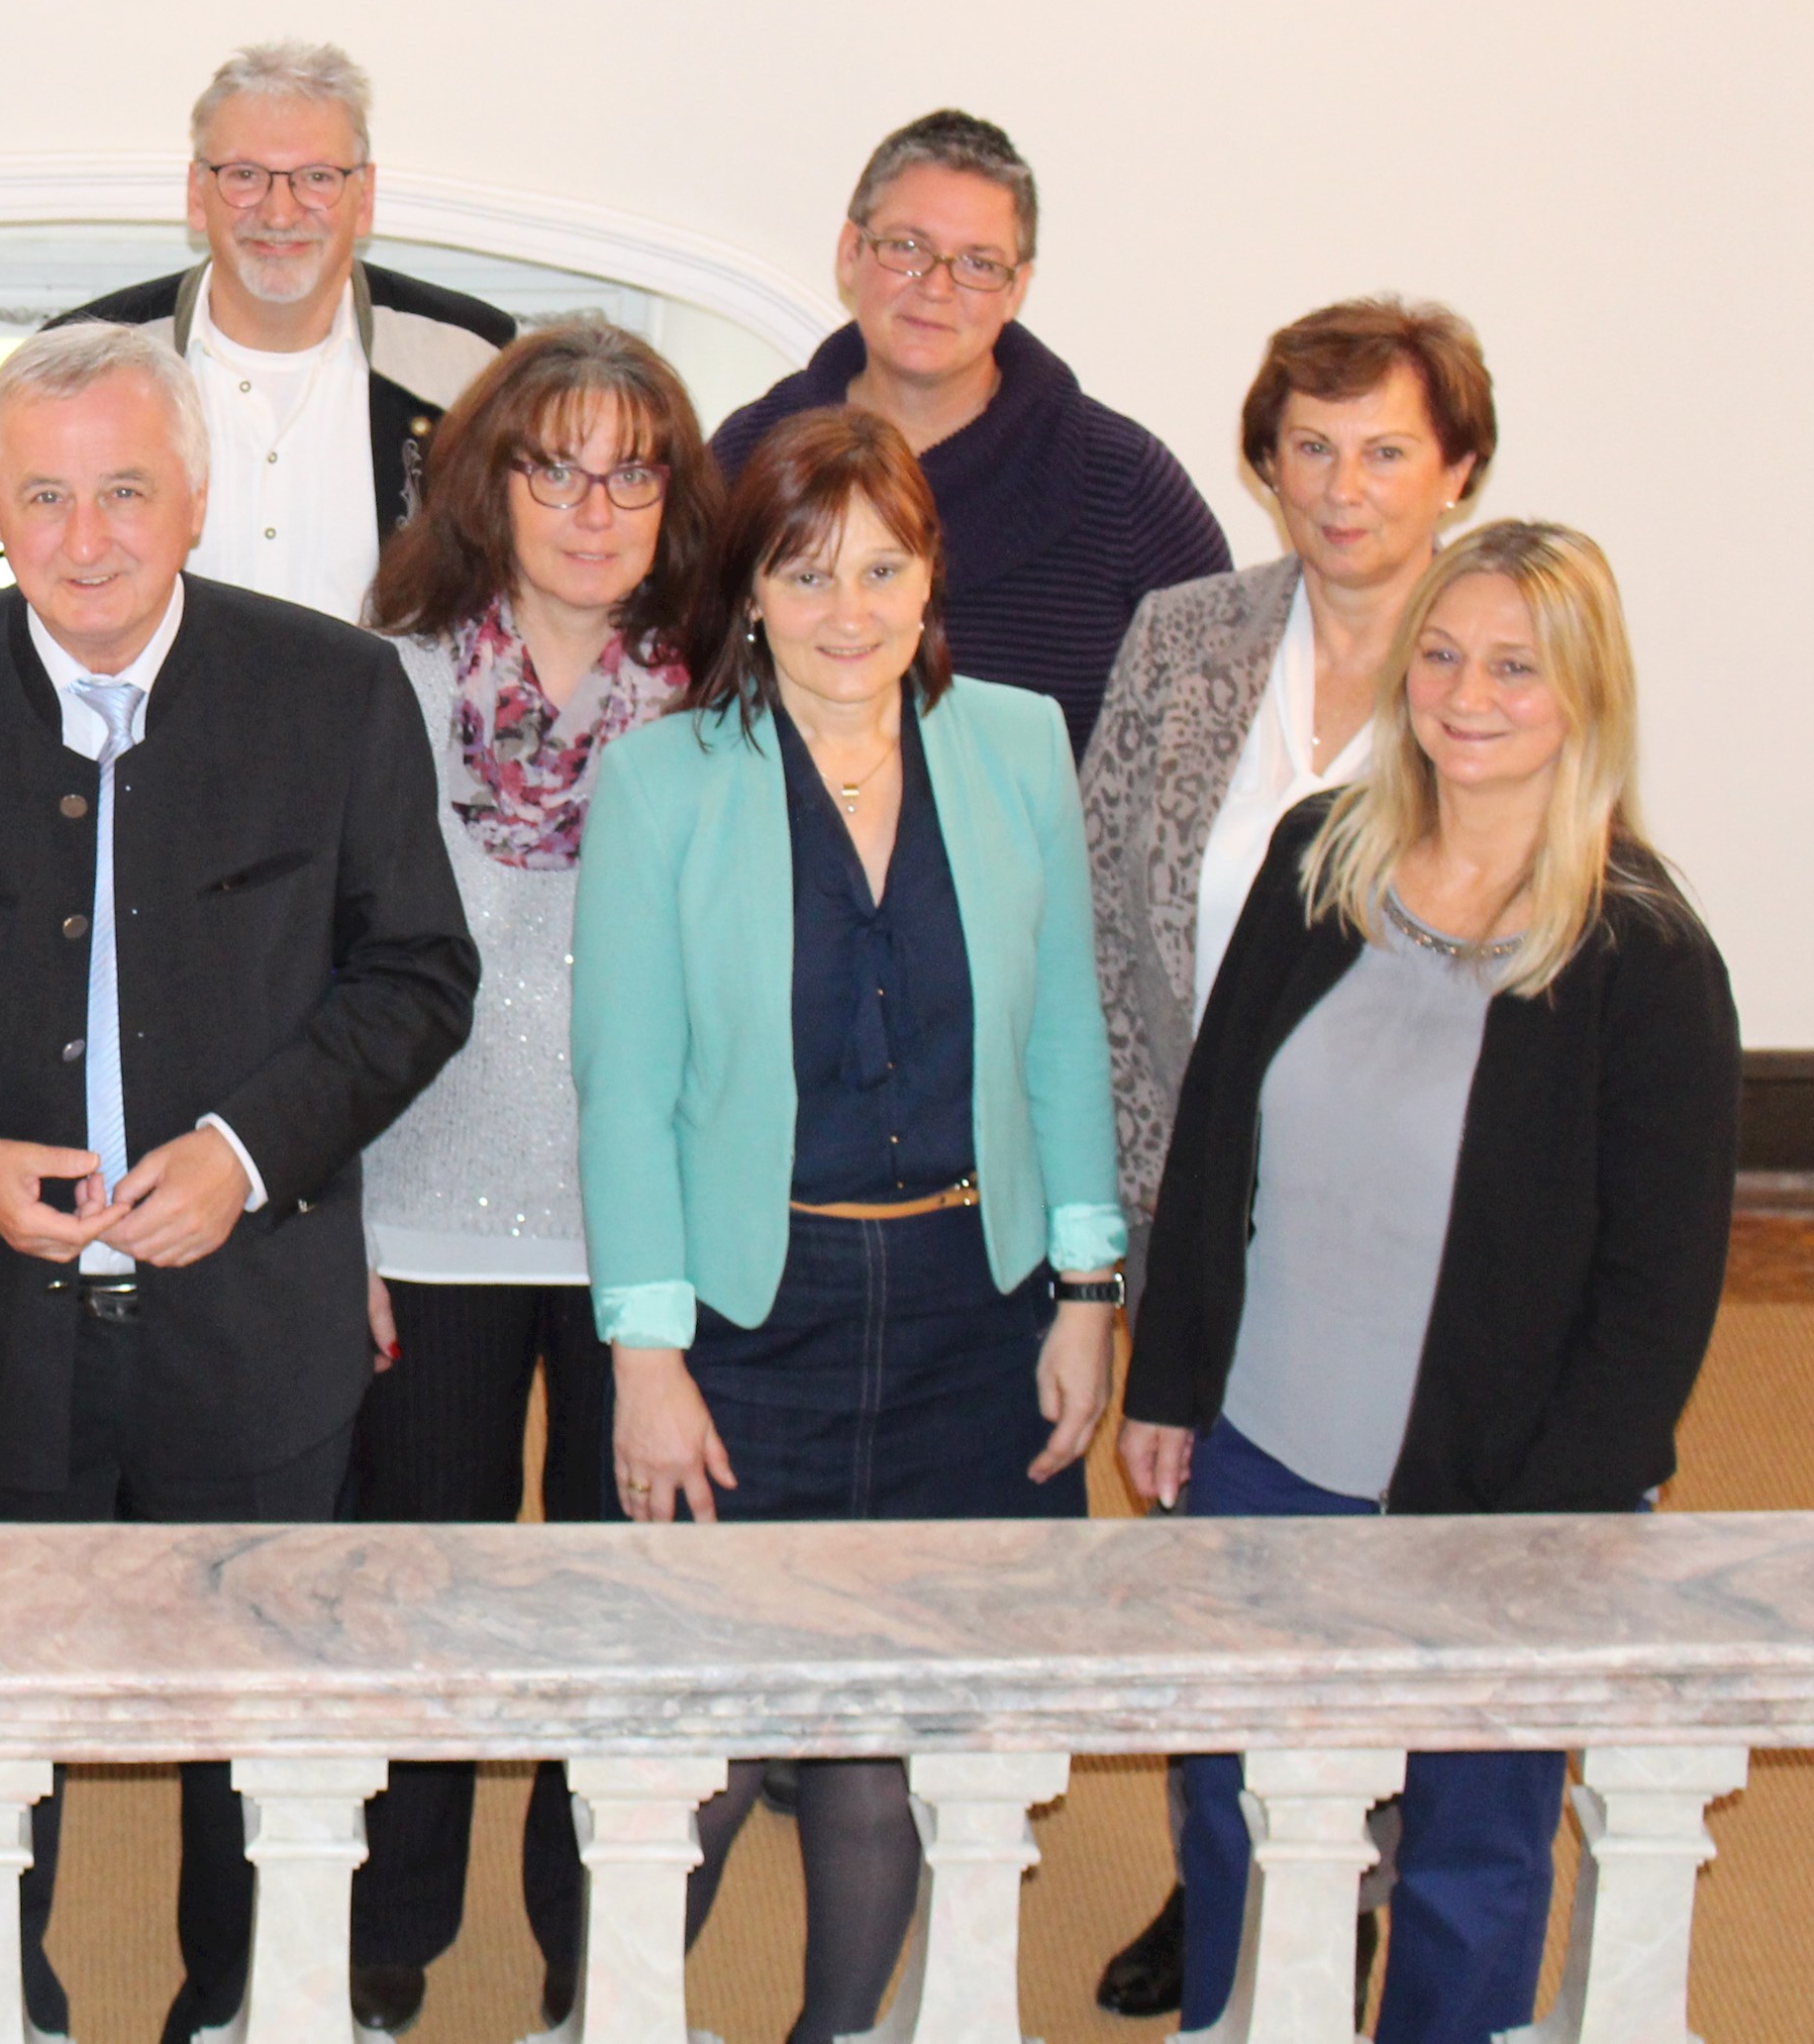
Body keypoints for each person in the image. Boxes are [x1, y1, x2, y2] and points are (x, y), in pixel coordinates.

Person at [0, 322, 476, 2044]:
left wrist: (246, 1156)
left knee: (250, 1710)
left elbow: (416, 977)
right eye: (44, 497)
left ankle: (235, 2005)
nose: (85, 539)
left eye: (125, 492)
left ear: (196, 495)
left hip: (256, 1317)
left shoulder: (331, 689)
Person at [1120, 523, 1736, 2044]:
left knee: (1470, 1858)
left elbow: (1659, 1295)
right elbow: (1212, 1148)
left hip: (1500, 1493)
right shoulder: (1318, 853)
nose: (1467, 693)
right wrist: (1172, 1384)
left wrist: (1555, 1525)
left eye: (1515, 665)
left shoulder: (1645, 952)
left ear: (1583, 694)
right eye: (1443, 654)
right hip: (1267, 1453)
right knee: (1243, 1820)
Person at [571, 407, 1125, 2044]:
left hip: (976, 1293)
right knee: (713, 1733)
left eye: (883, 566)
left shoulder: (1018, 743)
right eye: (806, 573)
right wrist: (645, 1355)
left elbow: (1065, 1039)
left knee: (899, 1719)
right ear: (746, 590)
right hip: (756, 1308)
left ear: (930, 572)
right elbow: (628, 1088)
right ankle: (630, 2020)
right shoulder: (663, 780)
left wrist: (1087, 1287)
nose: (849, 608)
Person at [1072, 298, 1498, 2017]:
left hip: (1415, 1222)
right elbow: (1109, 925)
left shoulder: (1496, 660)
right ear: (1264, 462)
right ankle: (1222, 1882)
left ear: (1455, 468)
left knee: (1412, 1564)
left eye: (1387, 448)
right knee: (1220, 1573)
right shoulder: (1185, 636)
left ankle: (1383, 1875)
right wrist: (1106, 1240)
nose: (1344, 486)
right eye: (1310, 447)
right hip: (1200, 1203)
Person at [345, 319, 717, 2042]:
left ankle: (598, 1965)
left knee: (618, 1615)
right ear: (485, 483)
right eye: (552, 465)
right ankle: (380, 1953)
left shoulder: (725, 693)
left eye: (629, 471)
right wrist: (325, 1215)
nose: (590, 504)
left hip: (648, 1240)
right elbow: (323, 975)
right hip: (422, 1215)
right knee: (420, 1606)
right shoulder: (390, 681)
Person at [708, 110, 1226, 753]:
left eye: (979, 263)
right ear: (850, 254)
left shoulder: (1121, 483)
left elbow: (1215, 721)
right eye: (907, 248)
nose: (938, 287)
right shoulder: (746, 459)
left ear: (1017, 288)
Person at [55, 40, 515, 623]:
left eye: (316, 177)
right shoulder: (86, 359)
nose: (278, 212)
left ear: (365, 197)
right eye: (244, 176)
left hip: (396, 716)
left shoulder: (471, 362)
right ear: (197, 195)